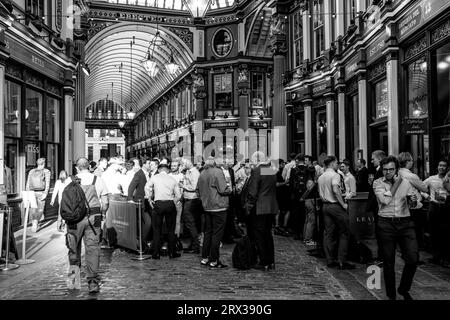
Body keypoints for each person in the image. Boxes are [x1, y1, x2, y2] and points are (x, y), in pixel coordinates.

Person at [373, 155, 420, 300]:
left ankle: (403, 288)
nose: (388, 172)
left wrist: (413, 201)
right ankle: (391, 295)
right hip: (386, 224)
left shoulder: (406, 182)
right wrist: (396, 183)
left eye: (391, 169)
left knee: (413, 259)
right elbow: (385, 200)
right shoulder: (377, 183)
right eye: (385, 170)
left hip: (405, 223)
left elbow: (416, 203)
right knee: (388, 261)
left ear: (397, 169)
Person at [66, 157, 109, 293]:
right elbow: (106, 201)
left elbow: (64, 202)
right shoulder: (98, 180)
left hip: (74, 220)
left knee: (73, 248)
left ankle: (73, 280)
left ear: (77, 168)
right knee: (92, 249)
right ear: (89, 166)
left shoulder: (69, 180)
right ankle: (92, 283)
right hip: (93, 218)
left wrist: (60, 220)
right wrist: (102, 213)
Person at [318, 155, 355, 270]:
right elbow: (335, 189)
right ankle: (342, 261)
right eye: (336, 163)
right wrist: (343, 204)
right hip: (335, 205)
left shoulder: (321, 176)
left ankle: (330, 260)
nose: (338, 165)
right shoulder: (335, 175)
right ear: (333, 163)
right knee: (344, 231)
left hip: (325, 205)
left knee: (329, 233)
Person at [197, 157, 232, 269]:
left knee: (208, 233)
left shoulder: (202, 173)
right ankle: (214, 260)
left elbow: (197, 189)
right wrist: (230, 189)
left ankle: (205, 257)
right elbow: (223, 189)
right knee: (217, 234)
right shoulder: (217, 172)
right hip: (218, 206)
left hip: (207, 206)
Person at [246, 153, 278, 271]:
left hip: (260, 206)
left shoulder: (256, 170)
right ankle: (271, 261)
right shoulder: (270, 170)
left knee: (259, 234)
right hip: (270, 206)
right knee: (268, 234)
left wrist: (249, 205)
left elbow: (253, 191)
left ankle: (263, 261)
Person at [146, 163, 181, 259]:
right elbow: (178, 195)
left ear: (159, 170)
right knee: (171, 229)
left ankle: (156, 253)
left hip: (158, 203)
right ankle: (172, 252)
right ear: (168, 170)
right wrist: (173, 202)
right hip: (169, 203)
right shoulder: (172, 179)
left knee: (157, 230)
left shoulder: (155, 177)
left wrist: (149, 199)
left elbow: (147, 187)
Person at [398, 152, 427, 263]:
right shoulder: (411, 175)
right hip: (414, 207)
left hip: (402, 206)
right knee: (415, 233)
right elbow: (424, 188)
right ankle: (414, 257)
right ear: (407, 162)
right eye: (411, 160)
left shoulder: (397, 173)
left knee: (405, 233)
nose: (412, 162)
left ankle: (405, 254)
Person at [423, 160, 449, 265]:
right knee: (433, 232)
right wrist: (428, 197)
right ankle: (436, 256)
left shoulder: (448, 179)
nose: (441, 167)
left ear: (447, 168)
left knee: (445, 233)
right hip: (434, 206)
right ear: (437, 167)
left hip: (446, 208)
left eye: (444, 166)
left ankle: (445, 257)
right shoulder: (431, 179)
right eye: (440, 165)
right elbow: (420, 187)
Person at [127, 158, 151, 250]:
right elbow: (131, 186)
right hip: (140, 203)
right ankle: (142, 244)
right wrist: (130, 198)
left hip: (147, 202)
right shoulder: (139, 174)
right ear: (144, 164)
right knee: (147, 223)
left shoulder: (149, 174)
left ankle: (143, 243)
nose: (150, 165)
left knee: (146, 223)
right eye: (149, 163)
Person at [180, 158, 201, 254]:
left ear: (188, 163)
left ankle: (196, 246)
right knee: (190, 222)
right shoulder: (188, 172)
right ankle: (193, 245)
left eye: (183, 164)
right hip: (188, 198)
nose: (182, 165)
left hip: (192, 199)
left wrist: (182, 186)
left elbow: (194, 187)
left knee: (190, 222)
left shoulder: (194, 173)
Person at [26, 158, 51, 233]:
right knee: (40, 209)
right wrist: (45, 193)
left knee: (33, 208)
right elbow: (47, 183)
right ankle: (36, 222)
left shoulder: (31, 171)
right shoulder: (46, 171)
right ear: (44, 164)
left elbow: (28, 183)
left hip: (32, 192)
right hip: (41, 193)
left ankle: (34, 222)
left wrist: (28, 193)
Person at [169, 159, 184, 237]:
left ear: (178, 167)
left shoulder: (181, 176)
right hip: (169, 201)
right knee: (170, 221)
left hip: (178, 202)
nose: (172, 167)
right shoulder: (168, 176)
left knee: (177, 220)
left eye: (174, 166)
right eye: (171, 166)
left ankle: (176, 238)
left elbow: (182, 189)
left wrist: (178, 199)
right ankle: (170, 237)